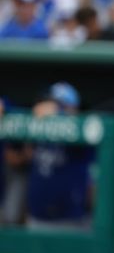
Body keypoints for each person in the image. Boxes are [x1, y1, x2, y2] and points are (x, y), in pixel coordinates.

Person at [26, 82, 94, 229]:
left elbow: (86, 130)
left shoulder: (83, 130)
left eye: (57, 104)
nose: (48, 108)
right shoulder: (40, 130)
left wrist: (59, 114)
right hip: (36, 217)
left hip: (69, 221)